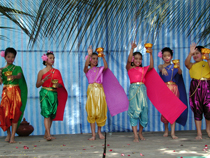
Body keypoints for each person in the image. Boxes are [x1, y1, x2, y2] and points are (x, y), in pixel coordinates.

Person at [36, 51, 67, 141]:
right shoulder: (41, 72)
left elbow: (61, 84)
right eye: (50, 58)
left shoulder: (57, 71)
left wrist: (58, 85)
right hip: (45, 93)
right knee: (46, 114)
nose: (52, 60)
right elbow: (37, 85)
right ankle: (48, 134)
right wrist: (43, 80)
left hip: (54, 93)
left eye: (53, 58)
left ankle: (46, 134)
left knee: (52, 114)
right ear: (45, 60)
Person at [126, 42, 153, 142]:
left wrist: (150, 54)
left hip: (142, 90)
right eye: (136, 58)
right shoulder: (130, 68)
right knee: (134, 111)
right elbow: (129, 61)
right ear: (133, 59)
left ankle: (140, 133)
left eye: (140, 59)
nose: (138, 60)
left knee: (143, 110)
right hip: (133, 90)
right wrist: (132, 49)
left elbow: (151, 66)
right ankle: (135, 135)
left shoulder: (143, 69)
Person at [0, 47, 27, 143]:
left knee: (15, 114)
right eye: (8, 57)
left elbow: (19, 76)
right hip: (6, 93)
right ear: (5, 57)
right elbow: (1, 82)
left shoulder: (17, 68)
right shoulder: (2, 70)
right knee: (5, 114)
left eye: (12, 57)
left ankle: (12, 136)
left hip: (16, 93)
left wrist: (13, 76)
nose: (10, 59)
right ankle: (8, 134)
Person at [185, 43, 210, 140]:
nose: (195, 56)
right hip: (195, 87)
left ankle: (208, 129)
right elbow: (186, 63)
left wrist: (208, 59)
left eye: (197, 53)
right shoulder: (192, 65)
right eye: (194, 54)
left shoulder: (207, 62)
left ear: (202, 54)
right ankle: (199, 133)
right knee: (197, 109)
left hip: (207, 86)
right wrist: (190, 54)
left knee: (209, 109)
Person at [84, 46, 108, 140]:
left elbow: (106, 67)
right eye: (93, 59)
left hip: (100, 91)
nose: (95, 60)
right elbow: (85, 66)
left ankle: (99, 132)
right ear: (89, 60)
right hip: (91, 92)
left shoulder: (100, 69)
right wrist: (89, 54)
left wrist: (102, 57)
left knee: (100, 111)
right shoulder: (87, 70)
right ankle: (93, 134)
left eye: (96, 59)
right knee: (92, 112)